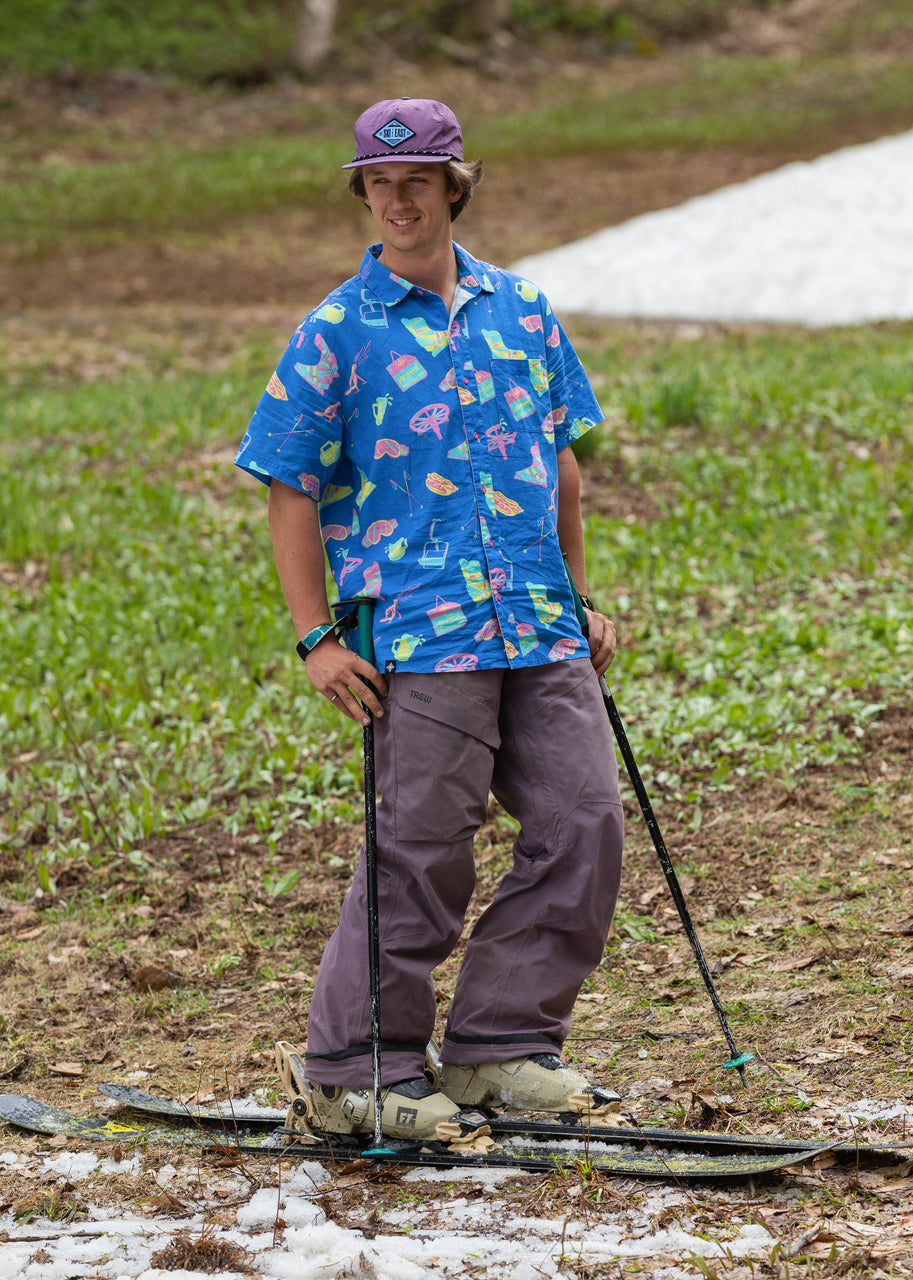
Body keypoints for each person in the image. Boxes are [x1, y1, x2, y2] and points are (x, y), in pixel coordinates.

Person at [236, 97, 624, 1141]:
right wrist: (316, 637)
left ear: (455, 184)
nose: (397, 198)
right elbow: (287, 486)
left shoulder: (523, 310)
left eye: (417, 179)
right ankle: (353, 1065)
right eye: (378, 181)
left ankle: (501, 1045)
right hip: (418, 632)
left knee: (584, 822)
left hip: (537, 621)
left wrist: (579, 595)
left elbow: (564, 470)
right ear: (362, 191)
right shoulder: (335, 332)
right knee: (421, 846)